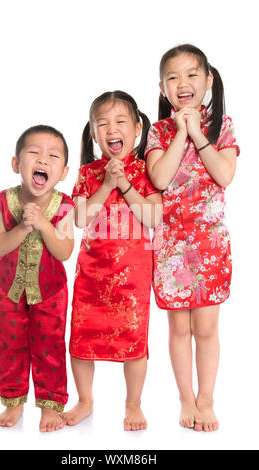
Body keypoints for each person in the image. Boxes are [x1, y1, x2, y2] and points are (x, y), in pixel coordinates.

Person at [145, 44, 240, 432]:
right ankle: (186, 397)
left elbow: (225, 175)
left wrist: (199, 133)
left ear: (208, 80)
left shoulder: (222, 124)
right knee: (179, 329)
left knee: (206, 329)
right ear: (163, 87)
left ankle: (207, 397)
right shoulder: (157, 130)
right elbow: (160, 178)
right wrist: (181, 134)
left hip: (210, 247)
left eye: (191, 74)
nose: (182, 83)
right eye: (172, 76)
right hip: (170, 248)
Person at [61, 91, 162, 431]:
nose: (111, 129)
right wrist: (107, 184)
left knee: (134, 341)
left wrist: (127, 186)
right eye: (102, 124)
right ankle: (85, 399)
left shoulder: (147, 169)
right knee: (81, 338)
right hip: (92, 274)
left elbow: (152, 217)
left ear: (136, 128)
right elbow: (80, 218)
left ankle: (133, 403)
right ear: (93, 134)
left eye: (120, 122)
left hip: (133, 276)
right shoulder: (88, 172)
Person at [0, 125, 74, 432]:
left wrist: (43, 225)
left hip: (50, 293)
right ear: (16, 164)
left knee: (49, 345)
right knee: (7, 345)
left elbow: (64, 251)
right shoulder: (4, 201)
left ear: (63, 172)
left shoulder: (63, 205)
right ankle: (13, 401)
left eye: (52, 156)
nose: (43, 160)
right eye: (34, 153)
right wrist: (22, 228)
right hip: (7, 291)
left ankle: (50, 404)